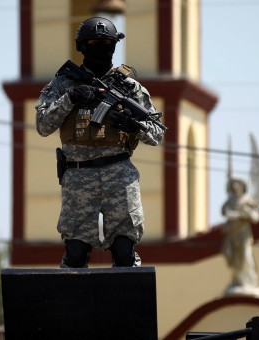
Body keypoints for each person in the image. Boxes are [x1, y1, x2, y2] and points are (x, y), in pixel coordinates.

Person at [35, 17, 166, 268]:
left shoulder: (130, 88)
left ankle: (126, 305)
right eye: (93, 42)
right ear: (81, 47)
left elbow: (156, 134)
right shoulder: (63, 83)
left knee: (124, 252)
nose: (100, 47)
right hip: (78, 174)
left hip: (119, 173)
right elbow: (43, 125)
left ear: (115, 46)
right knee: (75, 253)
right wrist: (70, 98)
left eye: (106, 42)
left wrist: (133, 125)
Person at [221, 177, 259, 296]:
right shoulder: (230, 201)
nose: (235, 186)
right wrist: (233, 214)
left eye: (237, 184)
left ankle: (248, 281)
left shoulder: (248, 201)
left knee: (245, 256)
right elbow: (224, 211)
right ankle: (237, 281)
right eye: (233, 184)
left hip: (243, 235)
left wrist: (245, 213)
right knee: (231, 256)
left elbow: (256, 217)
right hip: (232, 234)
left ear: (242, 186)